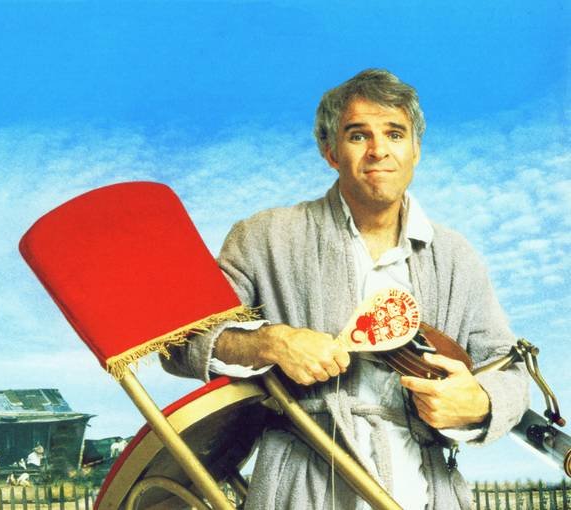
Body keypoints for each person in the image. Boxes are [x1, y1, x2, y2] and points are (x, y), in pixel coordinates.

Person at [162, 69, 529, 509]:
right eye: (358, 135)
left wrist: (481, 403)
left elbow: (508, 367)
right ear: (330, 151)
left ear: (416, 150)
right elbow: (180, 342)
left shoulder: (456, 256)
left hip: (429, 491)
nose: (378, 150)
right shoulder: (265, 237)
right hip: (301, 489)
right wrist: (270, 342)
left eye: (395, 134)